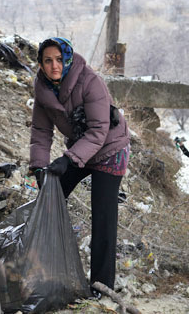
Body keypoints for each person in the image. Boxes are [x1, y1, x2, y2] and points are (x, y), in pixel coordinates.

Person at [29, 37, 130, 295]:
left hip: (110, 149)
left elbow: (98, 131)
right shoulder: (42, 88)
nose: (54, 66)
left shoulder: (89, 81)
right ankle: (44, 269)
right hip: (80, 147)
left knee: (103, 216)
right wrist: (39, 167)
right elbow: (41, 132)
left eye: (60, 60)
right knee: (49, 197)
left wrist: (69, 159)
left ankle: (101, 285)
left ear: (68, 59)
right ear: (40, 63)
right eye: (48, 60)